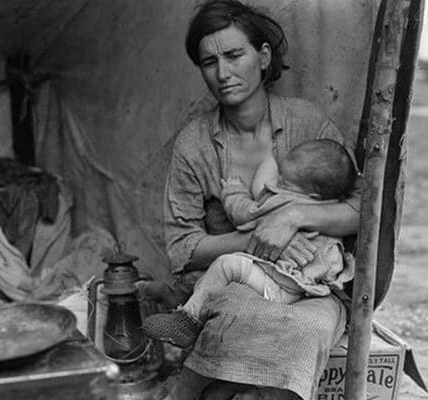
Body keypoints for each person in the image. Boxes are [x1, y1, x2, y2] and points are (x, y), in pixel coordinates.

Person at [149, 0, 361, 398]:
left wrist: (293, 216)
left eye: (234, 55)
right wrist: (255, 239)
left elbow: (362, 209)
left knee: (309, 329)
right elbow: (182, 247)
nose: (223, 73)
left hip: (312, 284)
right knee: (236, 318)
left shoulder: (307, 122)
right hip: (237, 283)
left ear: (263, 57)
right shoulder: (196, 143)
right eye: (208, 62)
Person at [143, 139, 358, 348]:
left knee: (227, 265)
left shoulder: (285, 202)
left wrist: (234, 190)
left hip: (281, 286)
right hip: (308, 286)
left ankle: (187, 321)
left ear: (311, 194)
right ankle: (183, 302)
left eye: (283, 182)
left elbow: (245, 213)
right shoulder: (329, 207)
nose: (276, 183)